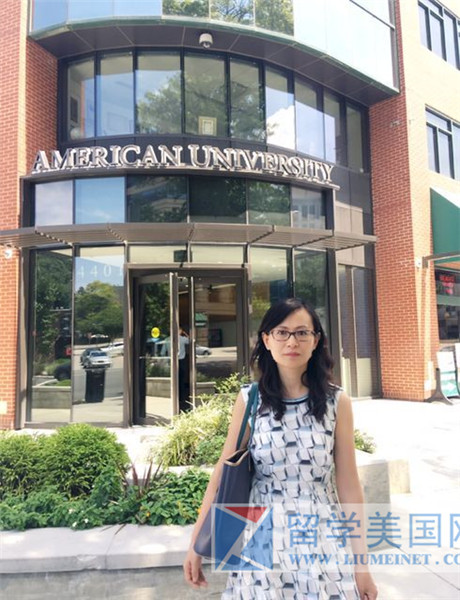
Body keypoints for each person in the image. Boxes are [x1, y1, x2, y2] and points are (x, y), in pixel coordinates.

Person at [183, 298, 378, 600]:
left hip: (321, 534)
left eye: (302, 332)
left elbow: (349, 485)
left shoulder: (336, 402)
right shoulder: (250, 400)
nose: (292, 341)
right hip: (261, 538)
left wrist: (361, 566)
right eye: (282, 332)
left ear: (316, 341)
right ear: (266, 340)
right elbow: (222, 476)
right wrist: (197, 543)